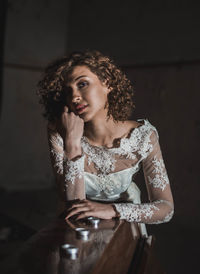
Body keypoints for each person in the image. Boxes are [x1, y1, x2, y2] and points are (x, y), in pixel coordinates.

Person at [37, 50, 174, 236]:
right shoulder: (59, 132)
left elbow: (166, 209)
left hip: (125, 224)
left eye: (82, 84)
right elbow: (73, 202)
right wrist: (72, 143)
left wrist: (112, 210)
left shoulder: (143, 136)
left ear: (107, 83)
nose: (74, 97)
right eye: (67, 91)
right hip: (76, 226)